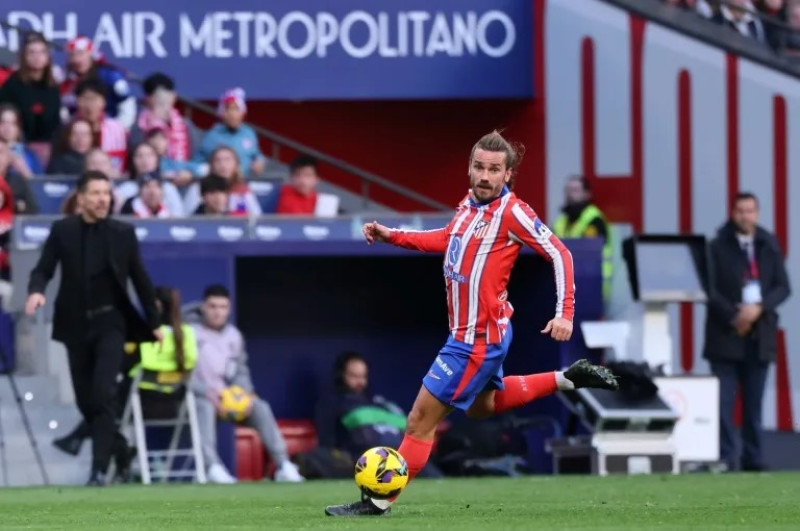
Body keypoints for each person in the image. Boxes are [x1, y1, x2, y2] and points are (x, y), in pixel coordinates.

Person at [325, 131, 618, 517]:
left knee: (418, 422)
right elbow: (447, 239)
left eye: (494, 170)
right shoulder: (467, 205)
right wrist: (391, 236)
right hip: (484, 333)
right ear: (470, 168)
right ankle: (568, 378)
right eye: (479, 167)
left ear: (508, 174)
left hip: (475, 341)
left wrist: (565, 312)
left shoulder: (513, 212)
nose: (484, 175)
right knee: (483, 407)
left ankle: (379, 502)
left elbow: (561, 254)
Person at [25, 170, 163, 486]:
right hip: (74, 325)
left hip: (111, 322)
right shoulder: (63, 231)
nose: (104, 199)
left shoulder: (122, 233)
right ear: (81, 198)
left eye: (107, 193)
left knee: (103, 393)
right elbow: (43, 269)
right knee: (86, 402)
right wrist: (36, 291)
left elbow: (141, 280)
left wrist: (154, 323)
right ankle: (121, 448)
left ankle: (98, 471)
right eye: (97, 193)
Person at [703, 192, 791, 472]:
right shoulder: (717, 245)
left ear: (758, 213)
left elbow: (783, 286)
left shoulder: (768, 243)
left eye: (750, 210)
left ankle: (753, 458)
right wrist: (735, 315)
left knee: (754, 404)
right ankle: (727, 457)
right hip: (725, 336)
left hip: (759, 336)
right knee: (724, 404)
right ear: (733, 213)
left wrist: (759, 308)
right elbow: (709, 289)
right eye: (740, 210)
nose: (745, 216)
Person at [190, 284, 304, 484]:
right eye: (213, 306)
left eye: (223, 307)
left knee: (260, 407)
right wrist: (205, 391)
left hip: (228, 399)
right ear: (203, 307)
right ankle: (212, 467)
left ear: (229, 309)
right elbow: (182, 374)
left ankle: (284, 466)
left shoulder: (234, 336)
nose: (218, 312)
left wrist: (245, 393)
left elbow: (240, 371)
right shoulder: (189, 332)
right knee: (204, 406)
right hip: (199, 397)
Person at [316, 351, 443, 478]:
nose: (360, 382)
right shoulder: (333, 404)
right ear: (341, 376)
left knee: (434, 477)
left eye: (363, 376)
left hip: (401, 458)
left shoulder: (383, 404)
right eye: (354, 376)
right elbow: (327, 445)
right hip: (365, 461)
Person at [552, 175, 613, 305]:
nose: (570, 194)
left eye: (575, 190)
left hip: (592, 285)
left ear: (586, 194)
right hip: (568, 288)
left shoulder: (594, 220)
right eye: (568, 190)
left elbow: (588, 253)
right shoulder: (561, 222)